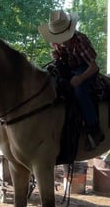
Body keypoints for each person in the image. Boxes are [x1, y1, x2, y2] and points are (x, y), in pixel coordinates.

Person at [39, 10, 105, 150]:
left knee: (80, 92)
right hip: (69, 67)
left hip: (84, 68)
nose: (59, 39)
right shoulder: (54, 41)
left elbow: (93, 67)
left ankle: (94, 129)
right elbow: (62, 59)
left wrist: (80, 78)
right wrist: (56, 57)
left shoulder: (80, 41)